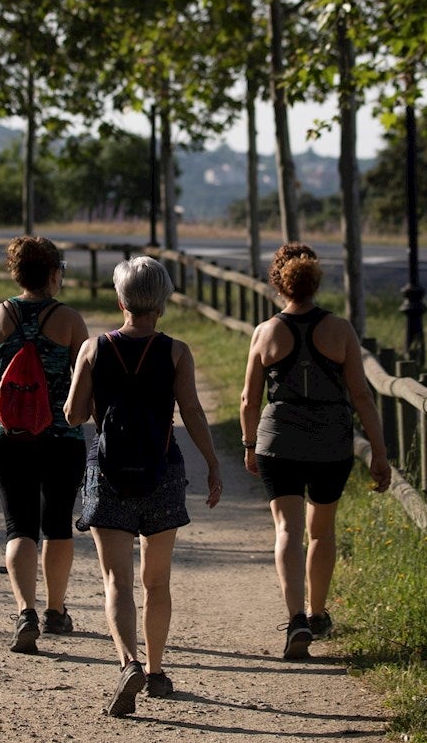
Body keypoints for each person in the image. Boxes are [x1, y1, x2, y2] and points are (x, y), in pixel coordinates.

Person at [63, 256, 223, 717]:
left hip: (108, 473)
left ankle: (127, 663)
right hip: (163, 472)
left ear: (121, 301)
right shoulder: (176, 352)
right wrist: (213, 463)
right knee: (157, 580)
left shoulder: (93, 348)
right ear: (163, 303)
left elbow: (73, 415)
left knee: (117, 579)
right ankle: (155, 671)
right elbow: (192, 411)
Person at [239, 242, 391, 660]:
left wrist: (249, 445)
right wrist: (379, 452)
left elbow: (249, 399)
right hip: (331, 441)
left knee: (287, 530)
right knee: (321, 530)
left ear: (279, 283)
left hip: (279, 442)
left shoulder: (265, 332)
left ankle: (296, 619)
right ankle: (318, 612)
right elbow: (362, 396)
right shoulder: (340, 330)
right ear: (315, 281)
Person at [0, 236, 90, 654]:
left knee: (19, 526)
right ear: (54, 274)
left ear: (17, 273)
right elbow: (87, 383)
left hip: (9, 440)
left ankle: (25, 612)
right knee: (57, 523)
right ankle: (56, 611)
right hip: (62, 439)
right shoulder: (70, 320)